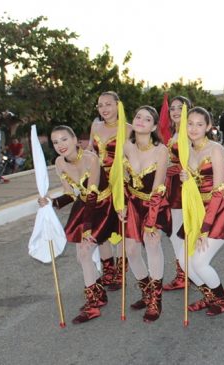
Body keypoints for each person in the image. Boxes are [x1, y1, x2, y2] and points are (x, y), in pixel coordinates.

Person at [38, 126, 118, 324]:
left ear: (75, 140)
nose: (60, 145)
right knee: (80, 255)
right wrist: (52, 202)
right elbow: (71, 193)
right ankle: (99, 294)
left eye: (64, 139)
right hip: (84, 205)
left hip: (103, 205)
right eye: (55, 142)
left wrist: (88, 228)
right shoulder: (59, 163)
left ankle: (93, 304)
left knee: (84, 251)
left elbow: (92, 194)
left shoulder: (91, 159)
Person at [178, 107, 224, 317]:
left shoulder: (216, 150)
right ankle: (209, 295)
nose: (194, 128)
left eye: (199, 124)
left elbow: (219, 190)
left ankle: (222, 299)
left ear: (209, 127)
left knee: (199, 262)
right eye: (190, 123)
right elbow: (192, 185)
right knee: (185, 261)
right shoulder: (185, 149)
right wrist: (185, 180)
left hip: (221, 208)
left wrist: (204, 228)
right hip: (198, 207)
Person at [121, 105, 171, 322]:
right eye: (138, 116)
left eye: (147, 119)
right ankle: (146, 290)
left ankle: (156, 300)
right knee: (131, 250)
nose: (141, 120)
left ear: (154, 127)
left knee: (151, 244)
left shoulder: (161, 150)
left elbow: (159, 188)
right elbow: (122, 179)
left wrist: (151, 221)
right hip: (132, 204)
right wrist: (121, 204)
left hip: (154, 204)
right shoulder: (126, 146)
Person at [88, 91, 133, 291]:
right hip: (98, 182)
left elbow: (135, 157)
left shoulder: (129, 129)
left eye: (108, 104)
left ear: (118, 105)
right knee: (101, 227)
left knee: (122, 227)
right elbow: (90, 150)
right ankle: (108, 270)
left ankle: (120, 272)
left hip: (120, 183)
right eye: (100, 105)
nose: (104, 109)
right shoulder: (95, 126)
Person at [162, 96, 194, 291]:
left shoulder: (189, 132)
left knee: (181, 231)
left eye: (179, 108)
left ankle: (185, 273)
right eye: (172, 108)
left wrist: (174, 168)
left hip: (184, 185)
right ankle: (184, 272)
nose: (175, 111)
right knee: (176, 232)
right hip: (173, 186)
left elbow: (193, 160)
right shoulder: (175, 132)